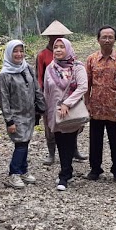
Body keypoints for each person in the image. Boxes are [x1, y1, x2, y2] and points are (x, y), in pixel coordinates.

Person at [37, 20, 87, 165]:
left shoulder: (73, 61)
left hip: (69, 99)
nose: (57, 39)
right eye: (54, 37)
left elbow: (81, 84)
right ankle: (52, 153)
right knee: (51, 127)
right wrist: (42, 100)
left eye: (60, 36)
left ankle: (74, 151)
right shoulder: (43, 55)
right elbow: (40, 77)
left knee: (72, 123)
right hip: (52, 97)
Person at [0, 40, 46, 189]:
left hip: (30, 114)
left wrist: (42, 107)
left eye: (21, 51)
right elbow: (3, 100)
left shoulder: (27, 68)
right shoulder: (4, 75)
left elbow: (36, 88)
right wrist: (9, 121)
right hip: (16, 115)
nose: (19, 54)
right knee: (21, 144)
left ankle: (23, 170)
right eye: (15, 51)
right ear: (9, 53)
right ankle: (14, 173)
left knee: (26, 142)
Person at [44, 38, 89, 191]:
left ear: (68, 49)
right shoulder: (50, 67)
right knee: (60, 141)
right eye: (56, 47)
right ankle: (67, 171)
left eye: (62, 47)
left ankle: (64, 175)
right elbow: (46, 91)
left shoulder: (77, 67)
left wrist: (67, 103)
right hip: (55, 111)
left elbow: (83, 87)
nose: (58, 50)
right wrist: (47, 112)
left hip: (70, 110)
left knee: (69, 142)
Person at [84, 25, 116, 182]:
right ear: (98, 39)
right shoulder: (91, 59)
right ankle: (95, 169)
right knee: (95, 140)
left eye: (111, 37)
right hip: (96, 106)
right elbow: (87, 83)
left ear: (115, 39)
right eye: (104, 37)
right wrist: (87, 102)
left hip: (114, 106)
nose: (107, 40)